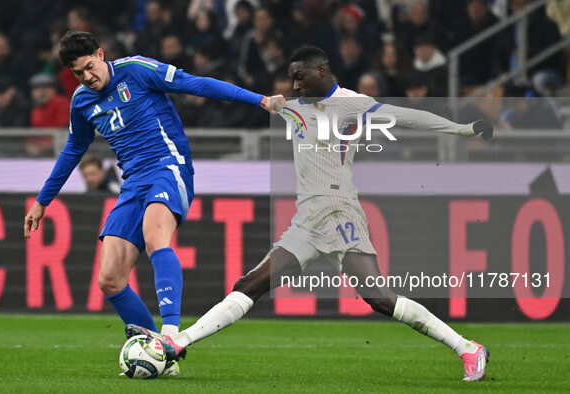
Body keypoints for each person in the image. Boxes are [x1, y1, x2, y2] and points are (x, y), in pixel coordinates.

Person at [127, 46, 493, 382]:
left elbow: (407, 117)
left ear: (322, 70)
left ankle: (468, 348)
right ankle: (177, 343)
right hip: (306, 220)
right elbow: (247, 98)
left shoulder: (352, 104)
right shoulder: (292, 106)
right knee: (249, 285)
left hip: (339, 211)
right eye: (291, 78)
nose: (295, 84)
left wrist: (461, 130)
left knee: (378, 298)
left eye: (300, 76)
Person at [23, 31, 281, 377]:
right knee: (110, 279)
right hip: (132, 183)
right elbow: (73, 150)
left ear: (101, 54)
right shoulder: (82, 101)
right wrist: (42, 201)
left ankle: (170, 339)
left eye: (89, 67)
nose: (87, 78)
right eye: (77, 74)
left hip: (167, 166)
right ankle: (159, 355)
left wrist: (259, 100)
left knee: (155, 236)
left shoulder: (138, 69)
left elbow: (198, 84)